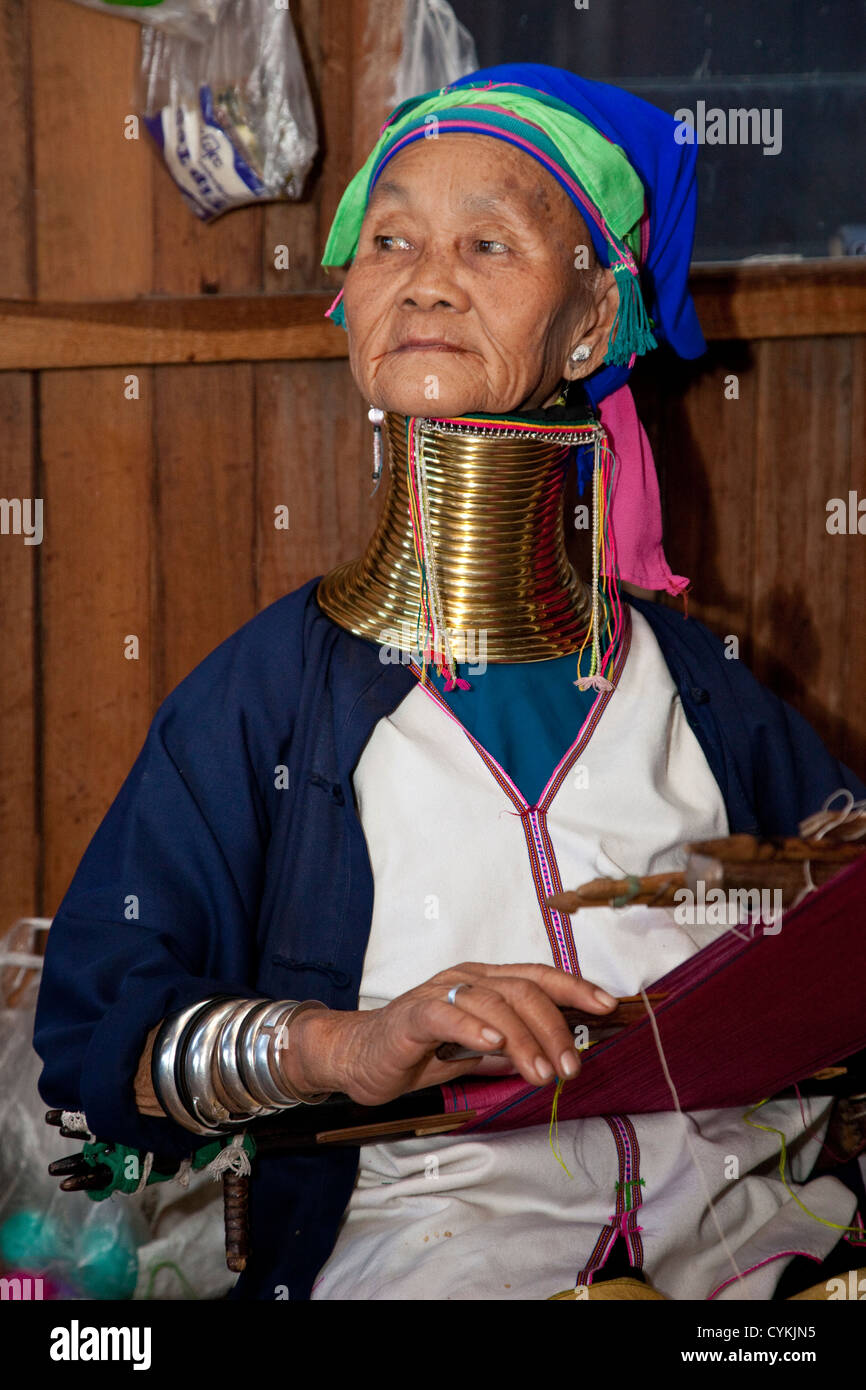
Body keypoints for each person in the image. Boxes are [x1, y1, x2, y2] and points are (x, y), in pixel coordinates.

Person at [34, 64, 866, 1302]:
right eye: (390, 240)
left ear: (591, 322)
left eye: (488, 242)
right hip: (429, 1259)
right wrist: (348, 1045)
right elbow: (100, 1040)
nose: (426, 275)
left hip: (757, 1249)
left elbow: (832, 913)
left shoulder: (697, 684)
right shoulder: (266, 698)